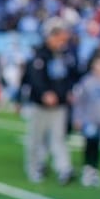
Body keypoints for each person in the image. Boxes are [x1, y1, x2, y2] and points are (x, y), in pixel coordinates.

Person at [23, 17, 82, 185]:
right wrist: (44, 93)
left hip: (60, 105)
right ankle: (35, 168)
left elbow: (71, 76)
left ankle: (64, 169)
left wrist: (69, 92)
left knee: (59, 138)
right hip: (41, 106)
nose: (62, 40)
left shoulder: (65, 55)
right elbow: (34, 78)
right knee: (36, 138)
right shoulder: (40, 55)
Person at [70, 53, 100, 189]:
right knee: (89, 144)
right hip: (88, 119)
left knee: (97, 146)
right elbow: (79, 102)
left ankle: (95, 170)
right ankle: (87, 169)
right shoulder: (87, 82)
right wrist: (77, 118)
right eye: (99, 64)